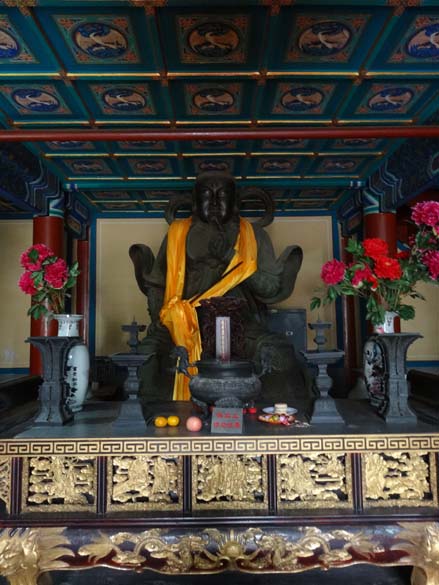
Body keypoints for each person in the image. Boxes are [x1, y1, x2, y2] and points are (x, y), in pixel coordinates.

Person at [130, 171, 312, 404]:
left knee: (278, 353)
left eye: (222, 195)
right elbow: (157, 285)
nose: (215, 203)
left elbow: (270, 288)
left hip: (241, 325)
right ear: (195, 203)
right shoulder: (177, 234)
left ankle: (277, 415)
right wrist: (160, 321)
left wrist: (230, 257)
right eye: (207, 195)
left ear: (235, 203)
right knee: (146, 355)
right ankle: (151, 415)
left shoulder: (254, 235)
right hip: (185, 323)